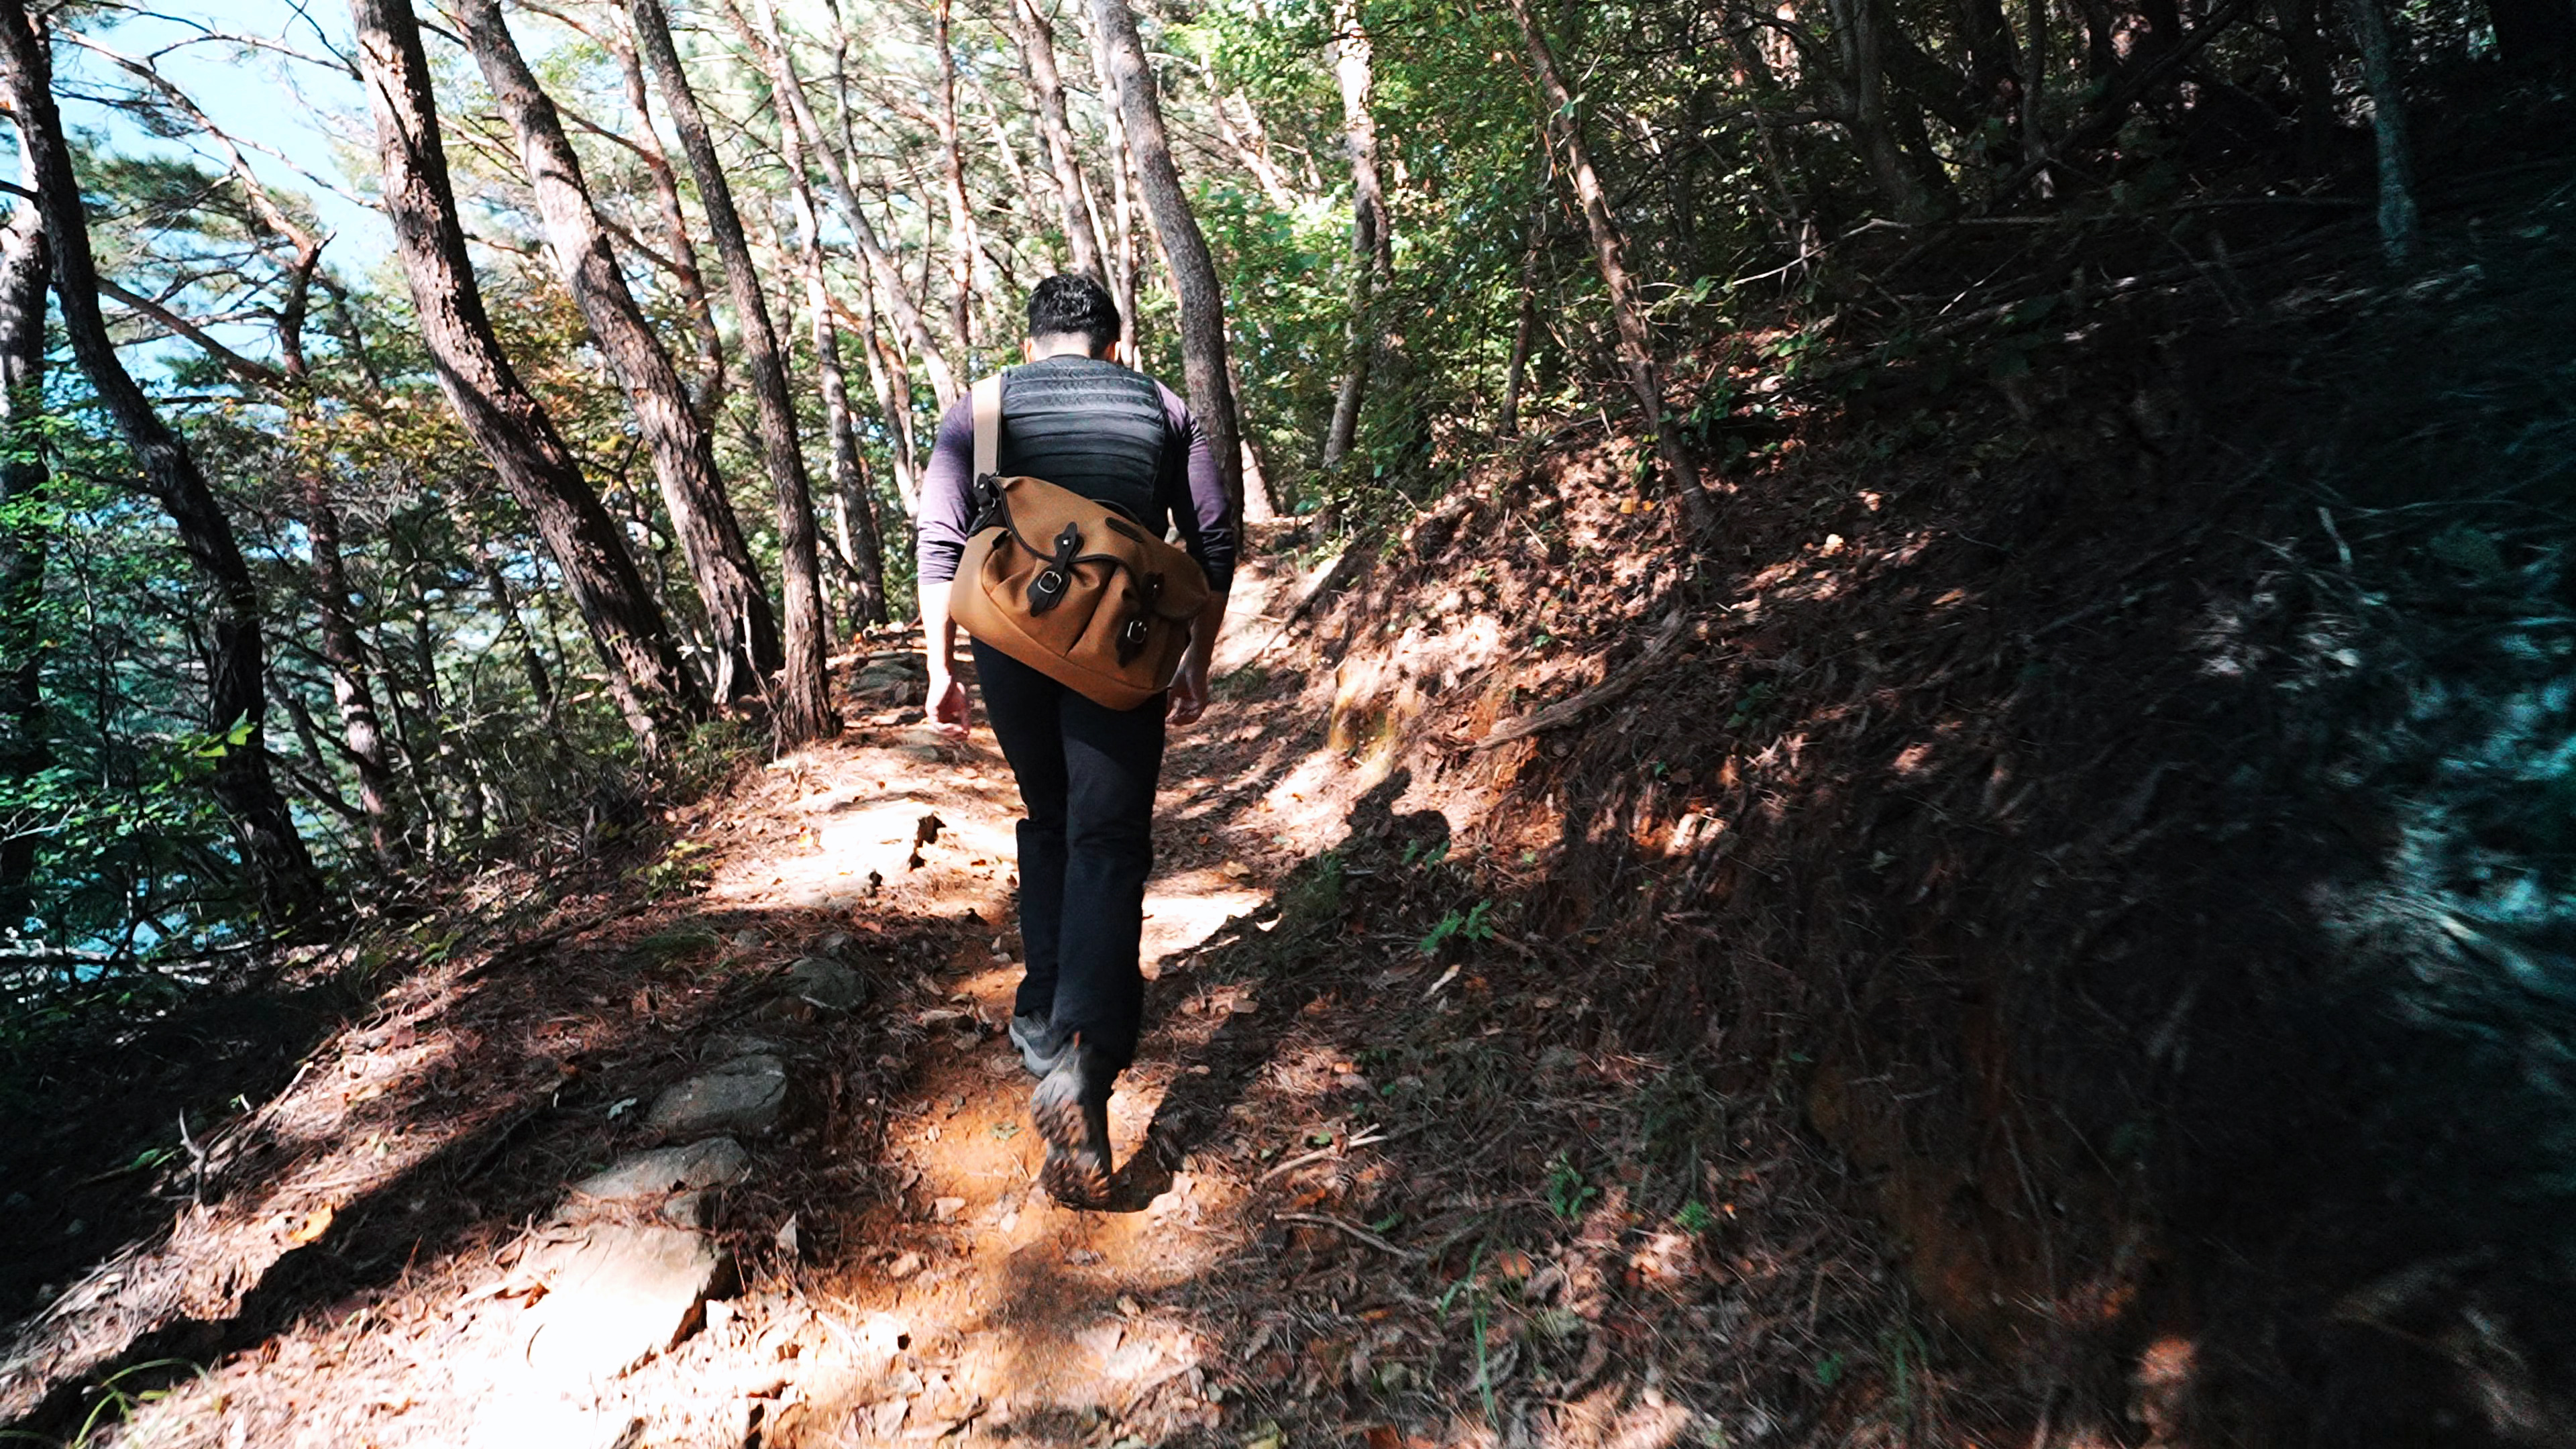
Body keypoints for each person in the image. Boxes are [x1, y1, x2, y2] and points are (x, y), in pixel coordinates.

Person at [914, 274, 1234, 1207]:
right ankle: (1085, 1056)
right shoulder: (1161, 407)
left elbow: (941, 542)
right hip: (1117, 647)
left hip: (1010, 638)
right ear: (1114, 343)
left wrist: (941, 668)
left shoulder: (982, 405)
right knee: (1108, 837)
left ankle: (1045, 1016)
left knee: (1050, 816)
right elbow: (1214, 541)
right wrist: (1196, 662)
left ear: (1032, 341)